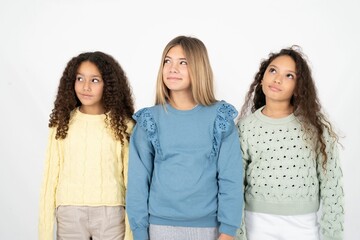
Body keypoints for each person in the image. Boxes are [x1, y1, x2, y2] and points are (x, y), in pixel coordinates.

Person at [126, 35, 243, 240]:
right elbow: (137, 182)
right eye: (167, 61)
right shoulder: (149, 121)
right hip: (159, 228)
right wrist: (139, 233)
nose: (172, 68)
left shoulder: (220, 118)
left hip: (209, 229)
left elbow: (230, 179)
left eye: (183, 62)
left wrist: (228, 232)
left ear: (198, 67)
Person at [235, 46, 344, 240]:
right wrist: (239, 232)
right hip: (257, 223)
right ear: (262, 77)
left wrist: (333, 234)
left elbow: (331, 184)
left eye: (289, 76)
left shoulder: (315, 127)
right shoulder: (245, 127)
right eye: (273, 70)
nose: (277, 79)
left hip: (303, 225)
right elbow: (235, 183)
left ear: (298, 87)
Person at [38, 51, 135, 240]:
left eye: (95, 80)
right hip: (69, 213)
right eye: (80, 78)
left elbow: (132, 181)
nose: (85, 87)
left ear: (109, 85)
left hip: (111, 213)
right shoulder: (62, 122)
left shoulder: (124, 125)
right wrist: (45, 233)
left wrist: (130, 233)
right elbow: (50, 179)